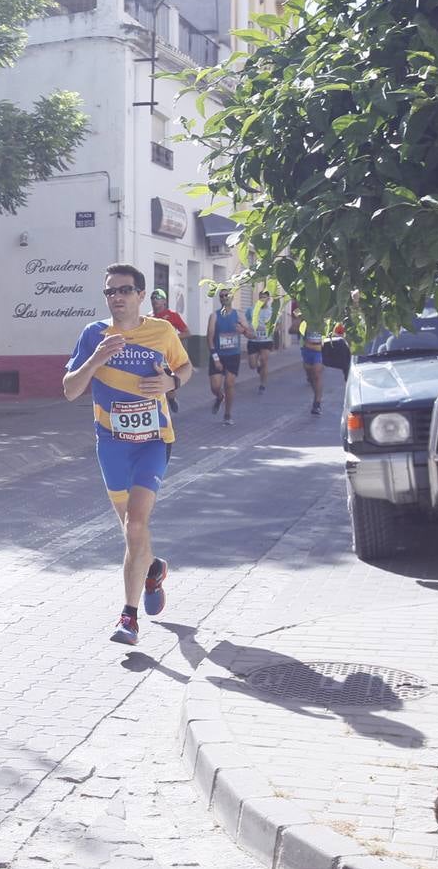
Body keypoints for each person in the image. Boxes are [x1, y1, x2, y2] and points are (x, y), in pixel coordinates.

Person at [62, 264, 193, 648]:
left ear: (140, 294)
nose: (116, 297)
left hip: (154, 439)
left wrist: (172, 382)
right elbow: (70, 390)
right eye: (110, 292)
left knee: (136, 525)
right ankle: (152, 568)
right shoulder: (94, 335)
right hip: (112, 443)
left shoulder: (162, 331)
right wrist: (96, 358)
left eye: (124, 290)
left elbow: (186, 367)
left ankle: (128, 618)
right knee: (131, 529)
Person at [205, 288, 254, 425]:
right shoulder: (214, 316)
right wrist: (215, 359)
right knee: (215, 387)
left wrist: (243, 330)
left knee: (229, 384)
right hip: (218, 355)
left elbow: (252, 335)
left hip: (233, 355)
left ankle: (227, 414)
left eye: (227, 295)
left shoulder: (239, 315)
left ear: (231, 298)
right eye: (222, 296)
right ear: (219, 299)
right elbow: (209, 338)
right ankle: (220, 397)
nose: (224, 297)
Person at [150, 288, 189, 413]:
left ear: (164, 301)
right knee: (155, 386)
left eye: (158, 298)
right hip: (153, 357)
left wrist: (171, 339)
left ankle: (171, 399)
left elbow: (187, 332)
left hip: (168, 358)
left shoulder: (173, 316)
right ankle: (158, 412)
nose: (155, 301)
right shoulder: (148, 317)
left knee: (169, 389)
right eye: (153, 298)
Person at [246, 290, 277, 392]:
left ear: (268, 299)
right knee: (252, 365)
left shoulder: (272, 311)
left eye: (264, 297)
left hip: (266, 341)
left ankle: (262, 384)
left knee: (264, 360)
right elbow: (246, 322)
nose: (262, 299)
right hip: (254, 341)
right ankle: (258, 367)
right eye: (261, 297)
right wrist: (248, 331)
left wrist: (272, 330)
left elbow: (278, 325)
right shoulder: (251, 310)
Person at [299, 318, 325, 414]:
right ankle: (317, 396)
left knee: (317, 374)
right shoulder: (305, 313)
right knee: (311, 376)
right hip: (307, 349)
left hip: (320, 350)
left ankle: (317, 403)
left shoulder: (327, 312)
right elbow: (292, 328)